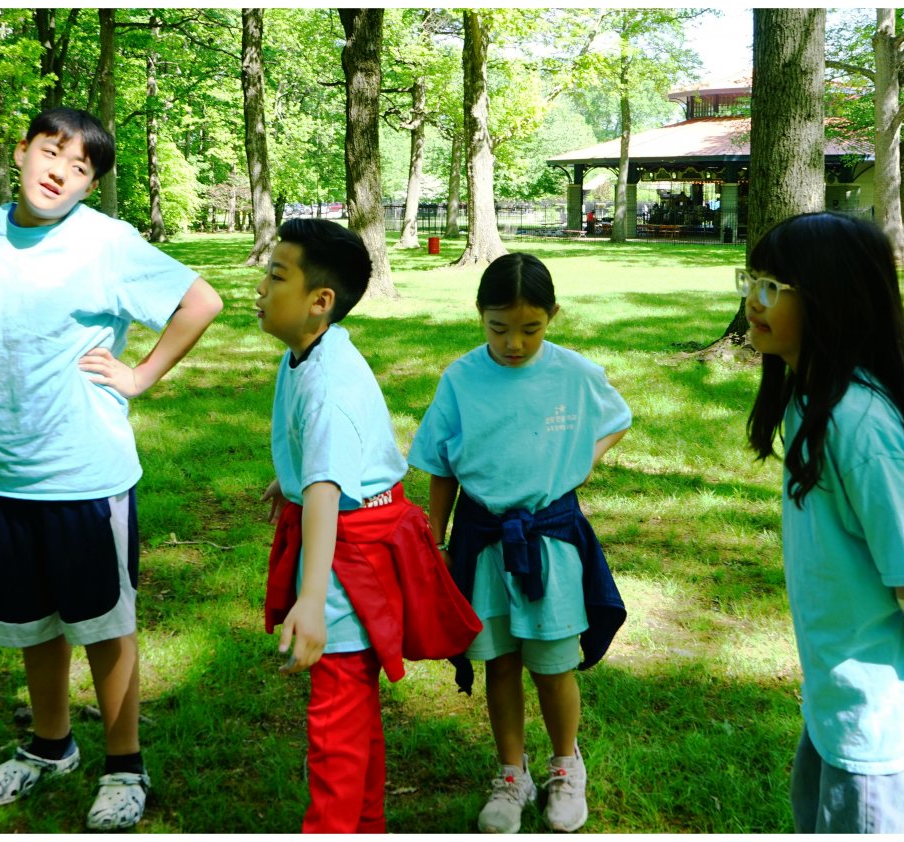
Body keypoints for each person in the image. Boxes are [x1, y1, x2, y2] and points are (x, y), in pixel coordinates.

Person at [0, 107, 223, 830]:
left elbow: (200, 301)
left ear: (90, 186)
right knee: (32, 623)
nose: (60, 171)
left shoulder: (106, 244)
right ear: (21, 152)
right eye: (51, 152)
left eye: (80, 167)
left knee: (105, 625)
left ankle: (125, 765)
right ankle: (51, 746)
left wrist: (141, 374)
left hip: (85, 477)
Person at [741, 212, 904, 833]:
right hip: (837, 694)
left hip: (877, 711)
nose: (753, 300)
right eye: (751, 281)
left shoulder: (859, 425)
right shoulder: (809, 398)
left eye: (772, 287)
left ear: (832, 299)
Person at [256, 218, 480, 833]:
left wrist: (310, 604)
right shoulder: (311, 350)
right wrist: (290, 477)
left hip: (350, 565)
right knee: (354, 712)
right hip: (353, 540)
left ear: (320, 301)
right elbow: (323, 464)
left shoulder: (327, 385)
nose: (261, 287)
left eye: (276, 275)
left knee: (336, 723)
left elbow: (326, 490)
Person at [408, 253, 632, 834]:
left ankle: (565, 766)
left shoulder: (573, 373)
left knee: (553, 663)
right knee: (500, 663)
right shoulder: (461, 379)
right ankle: (512, 774)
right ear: (479, 316)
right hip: (482, 540)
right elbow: (441, 464)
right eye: (499, 328)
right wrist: (437, 540)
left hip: (549, 541)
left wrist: (584, 459)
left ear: (552, 315)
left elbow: (616, 417)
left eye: (530, 329)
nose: (513, 343)